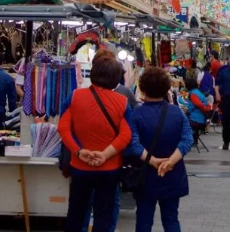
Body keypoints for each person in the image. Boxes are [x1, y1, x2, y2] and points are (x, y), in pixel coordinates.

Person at [58, 55, 132, 232]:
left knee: (76, 212)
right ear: (116, 79)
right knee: (104, 215)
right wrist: (105, 154)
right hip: (110, 168)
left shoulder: (75, 97)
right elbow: (126, 134)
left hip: (80, 166)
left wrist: (79, 151)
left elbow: (62, 128)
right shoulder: (123, 102)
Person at [130, 67, 193, 232]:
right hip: (173, 173)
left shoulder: (136, 114)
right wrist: (170, 162)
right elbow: (187, 140)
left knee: (143, 220)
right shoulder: (177, 113)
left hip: (145, 174)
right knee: (171, 220)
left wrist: (153, 161)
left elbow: (134, 144)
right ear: (166, 88)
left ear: (142, 89)